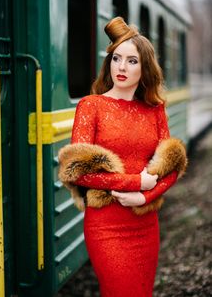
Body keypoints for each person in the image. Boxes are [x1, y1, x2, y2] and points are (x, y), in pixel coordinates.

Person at [70, 17, 178, 296]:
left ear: (145, 68)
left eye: (132, 61)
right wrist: (135, 184)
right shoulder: (90, 106)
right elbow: (79, 171)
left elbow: (171, 168)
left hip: (144, 224)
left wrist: (145, 197)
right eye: (116, 58)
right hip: (106, 225)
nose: (121, 66)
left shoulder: (155, 110)